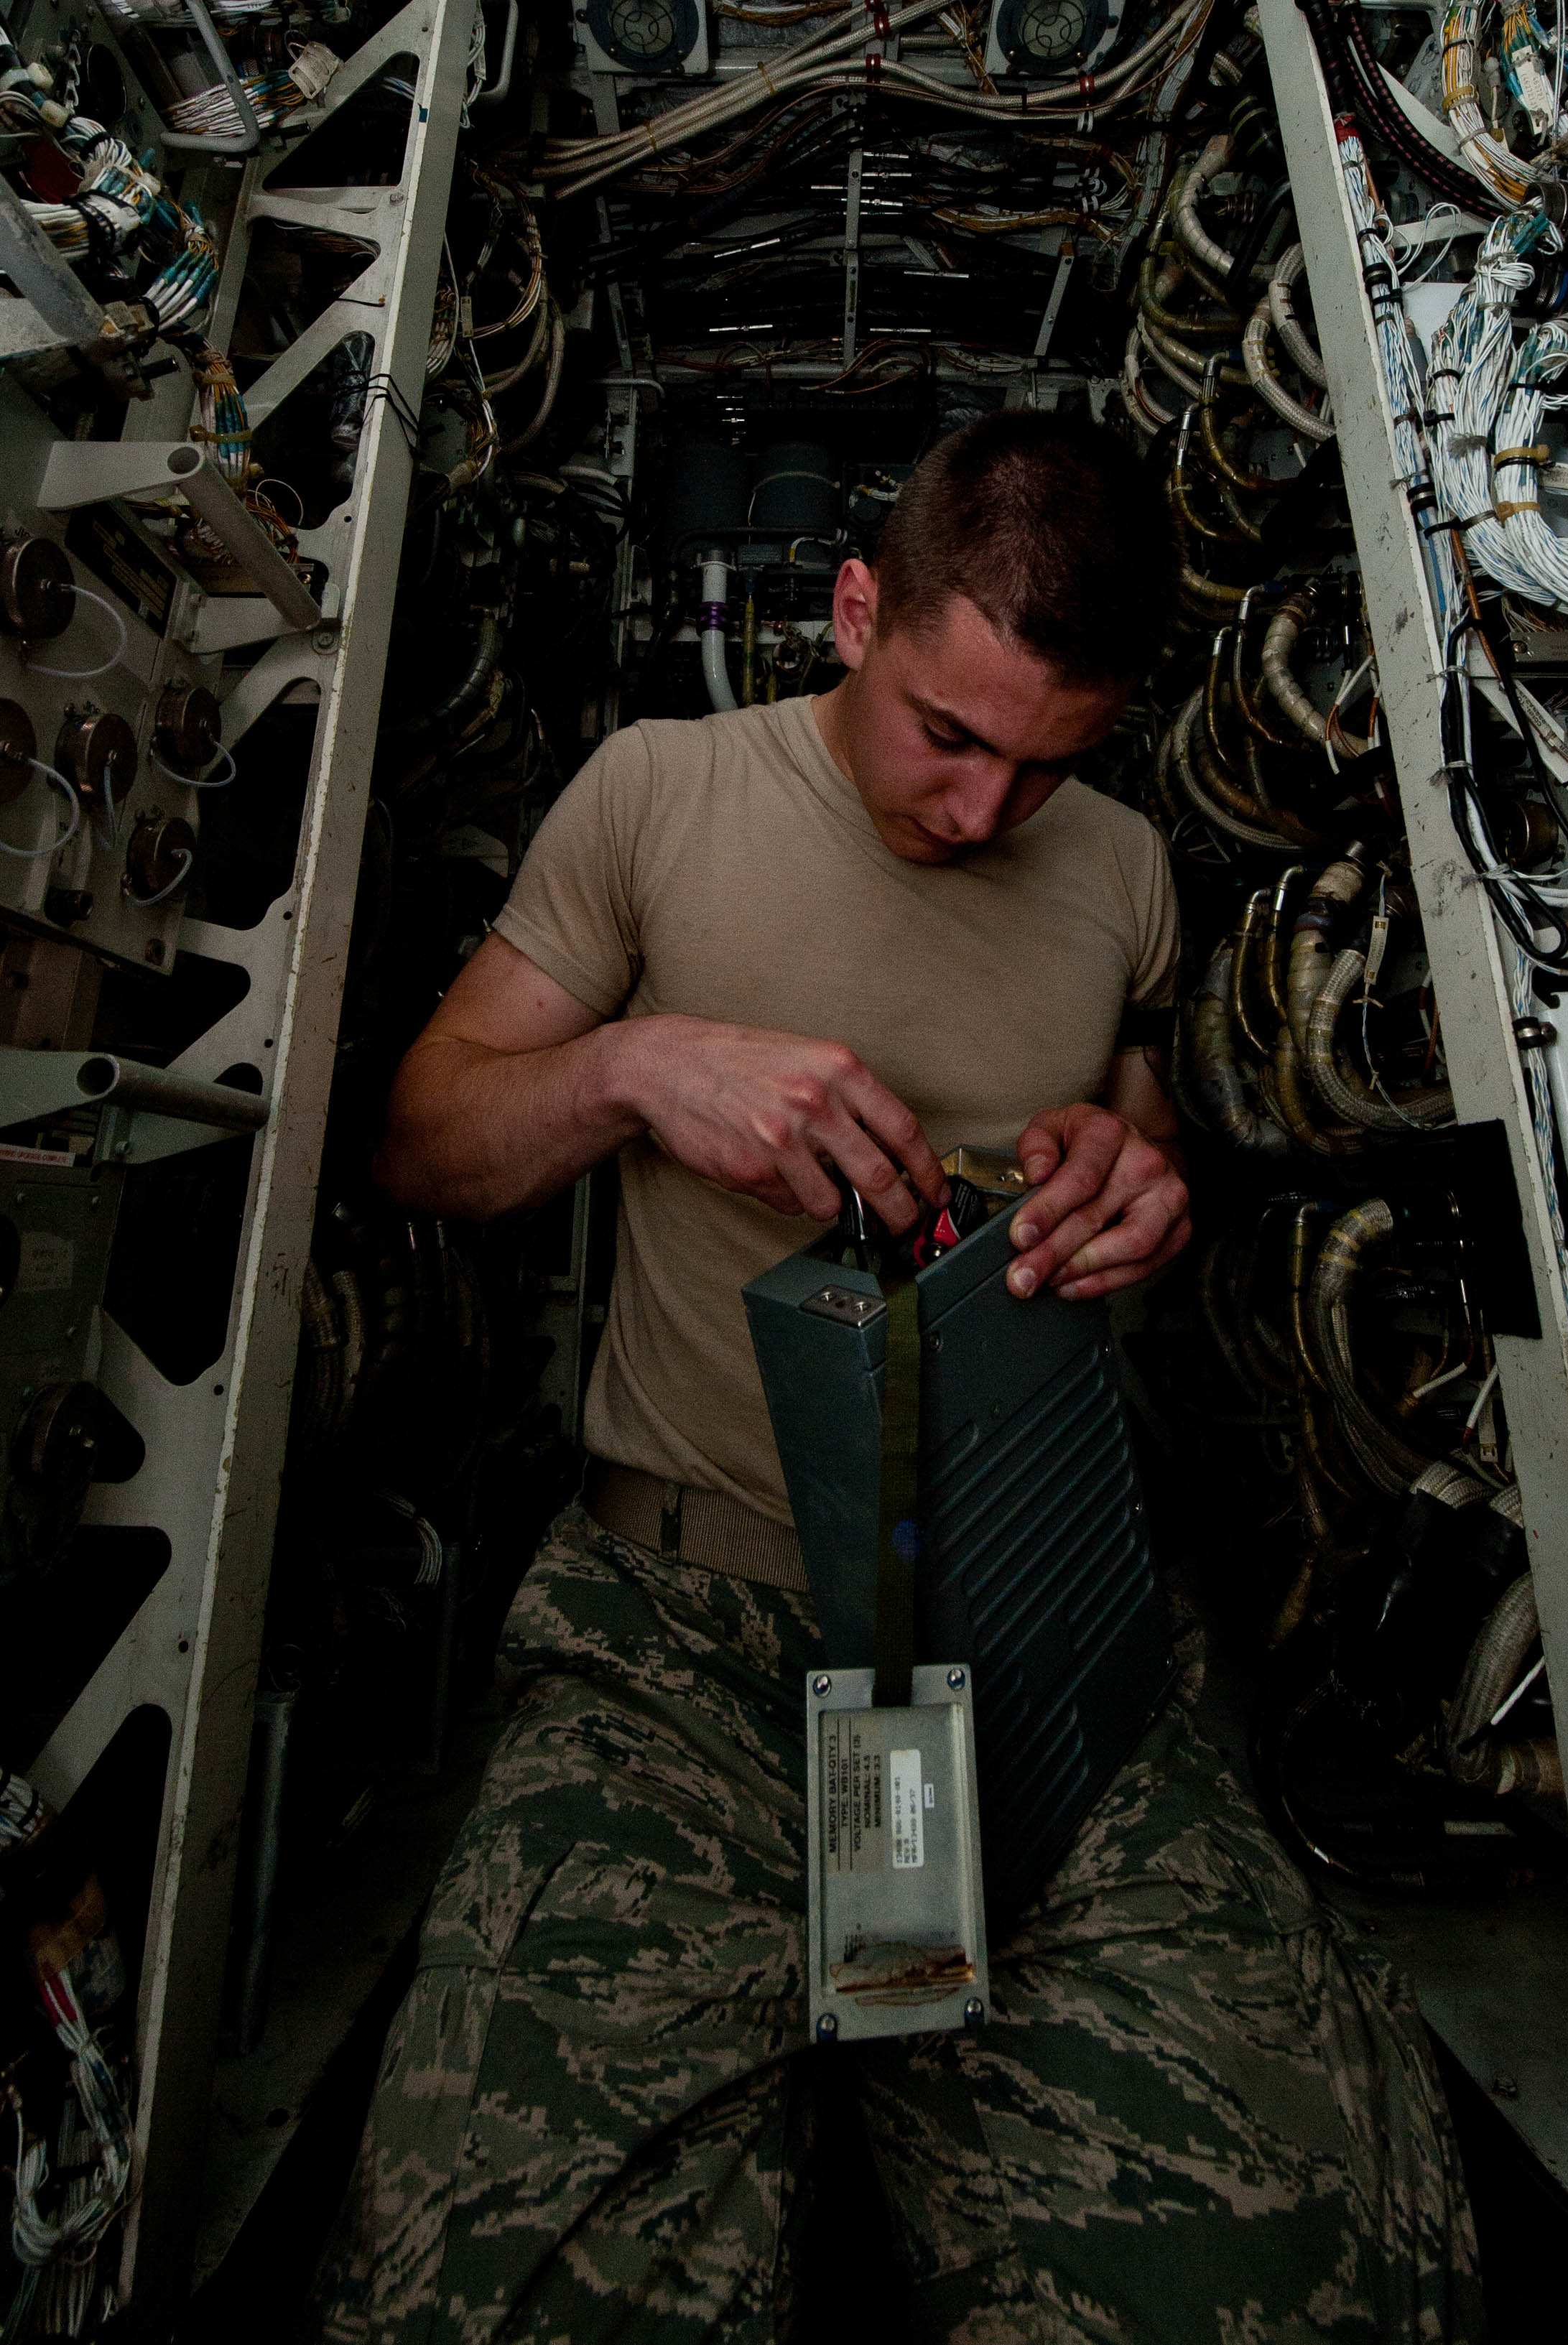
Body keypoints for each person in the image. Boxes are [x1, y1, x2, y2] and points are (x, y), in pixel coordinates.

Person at [321, 413, 1480, 2343]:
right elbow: (425, 1143)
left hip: (1033, 1615)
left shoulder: (1118, 873)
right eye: (949, 732)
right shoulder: (658, 793)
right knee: (494, 2290)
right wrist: (635, 1066)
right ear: (860, 611)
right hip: (683, 1622)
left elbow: (1134, 1126)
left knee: (1309, 2272)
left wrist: (1146, 1176)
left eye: (1045, 762)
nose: (979, 810)